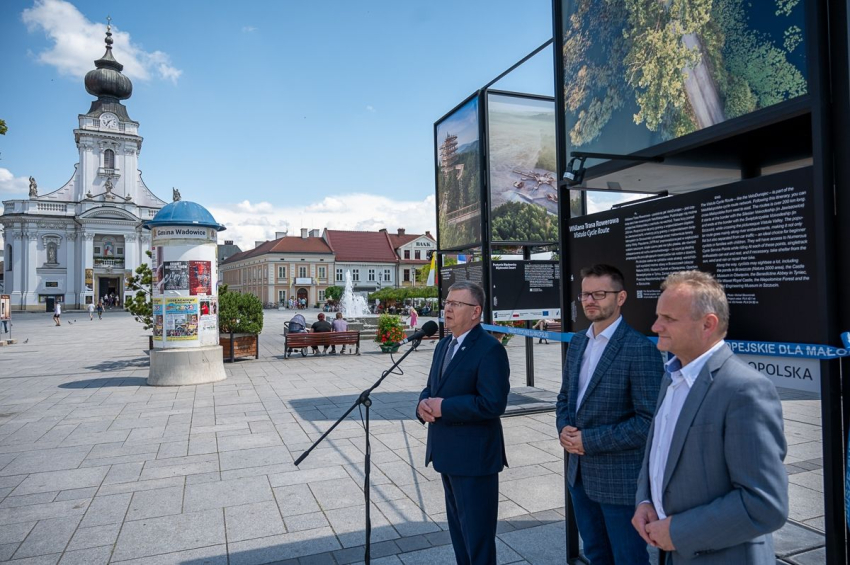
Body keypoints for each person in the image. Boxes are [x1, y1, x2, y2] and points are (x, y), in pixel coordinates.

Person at [632, 270, 788, 564]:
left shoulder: (744, 390)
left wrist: (678, 532)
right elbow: (658, 452)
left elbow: (765, 505)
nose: (655, 326)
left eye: (668, 318)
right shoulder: (672, 376)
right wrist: (645, 500)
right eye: (658, 316)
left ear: (708, 324)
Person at [556, 264, 663, 565]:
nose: (590, 301)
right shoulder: (578, 342)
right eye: (585, 295)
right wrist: (563, 428)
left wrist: (588, 440)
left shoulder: (639, 349)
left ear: (621, 297)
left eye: (599, 294)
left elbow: (648, 422)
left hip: (620, 482)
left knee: (628, 559)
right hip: (579, 476)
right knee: (596, 555)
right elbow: (565, 398)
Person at [416, 281, 510, 565]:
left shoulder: (490, 349)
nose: (448, 308)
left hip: (474, 459)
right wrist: (422, 404)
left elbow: (493, 403)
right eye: (447, 302)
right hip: (446, 453)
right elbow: (433, 387)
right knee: (459, 534)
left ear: (475, 311)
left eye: (456, 304)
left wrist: (444, 407)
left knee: (477, 537)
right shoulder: (443, 345)